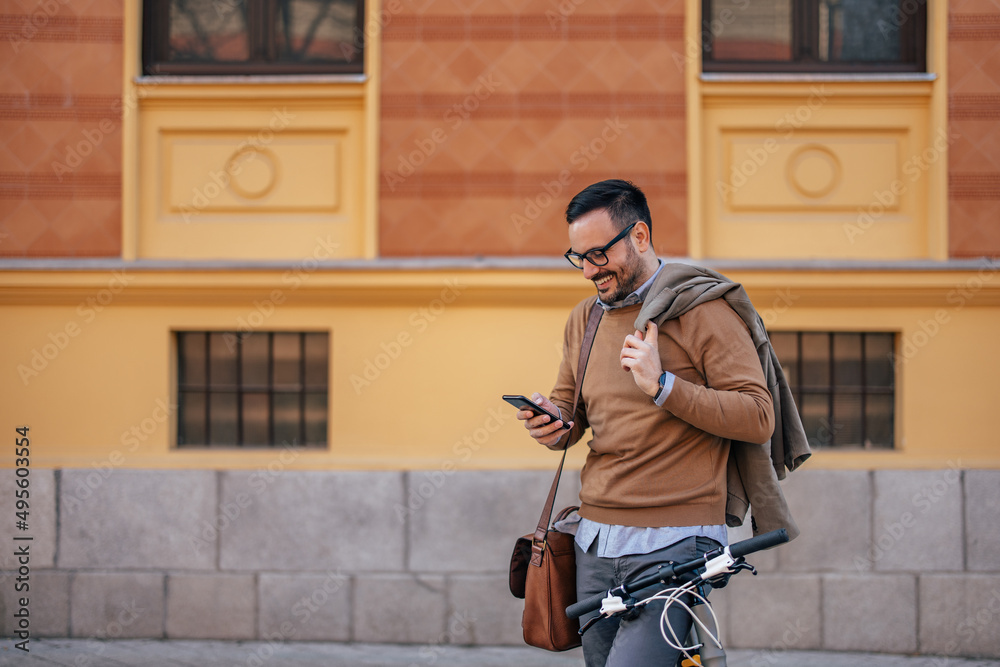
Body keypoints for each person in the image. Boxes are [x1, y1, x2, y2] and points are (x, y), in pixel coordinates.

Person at [515, 179, 781, 667]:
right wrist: (553, 426)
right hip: (595, 539)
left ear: (639, 236)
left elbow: (758, 415)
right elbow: (571, 411)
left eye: (599, 253)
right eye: (579, 258)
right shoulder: (584, 319)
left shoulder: (702, 310)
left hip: (675, 540)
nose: (590, 270)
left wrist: (663, 386)